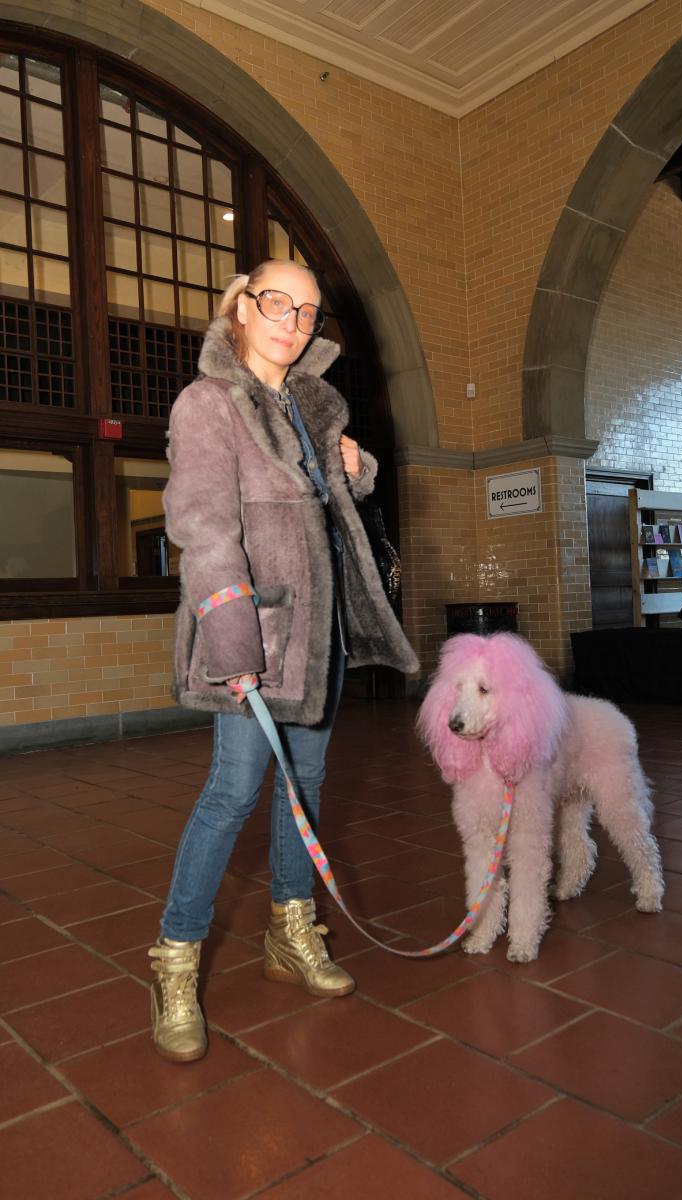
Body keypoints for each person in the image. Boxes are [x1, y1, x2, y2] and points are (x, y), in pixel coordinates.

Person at [147, 259, 418, 1063]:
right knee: (231, 791)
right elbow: (202, 526)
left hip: (320, 634)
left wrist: (354, 473)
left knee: (305, 786)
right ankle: (174, 961)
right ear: (240, 309)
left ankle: (291, 932)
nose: (293, 321)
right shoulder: (209, 404)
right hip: (253, 638)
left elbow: (323, 518)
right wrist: (231, 640)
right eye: (276, 302)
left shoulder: (308, 407)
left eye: (307, 311)